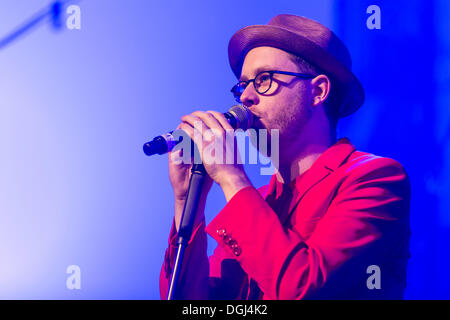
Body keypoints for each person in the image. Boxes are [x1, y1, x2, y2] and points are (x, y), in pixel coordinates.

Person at [159, 14, 411, 300]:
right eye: (243, 85)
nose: (244, 97)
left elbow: (302, 287)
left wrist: (231, 176)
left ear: (317, 91)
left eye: (264, 79)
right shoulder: (262, 200)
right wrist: (186, 202)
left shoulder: (374, 178)